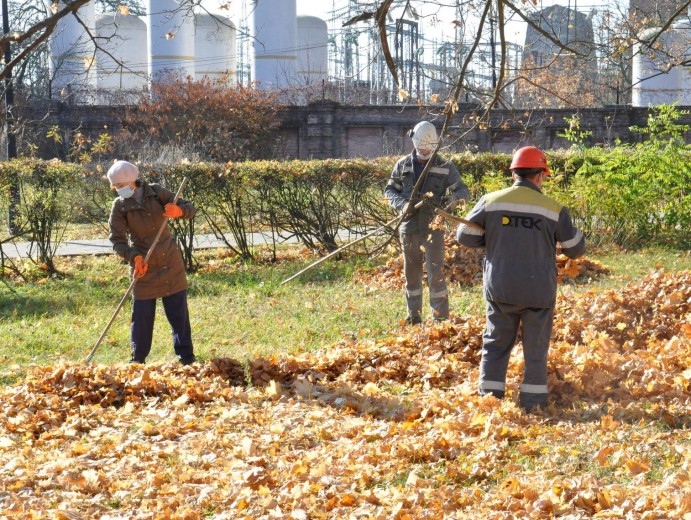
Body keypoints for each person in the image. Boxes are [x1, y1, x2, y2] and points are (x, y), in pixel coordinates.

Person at [456, 146, 585, 411]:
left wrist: (493, 238)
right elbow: (574, 249)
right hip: (538, 291)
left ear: (514, 173)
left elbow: (464, 236)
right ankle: (533, 406)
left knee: (495, 345)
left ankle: (490, 403)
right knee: (535, 351)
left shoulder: (491, 201)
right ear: (539, 175)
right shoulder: (554, 209)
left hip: (501, 287)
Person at [107, 160, 197, 365]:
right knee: (142, 317)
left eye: (120, 186)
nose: (118, 191)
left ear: (132, 181)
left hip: (170, 262)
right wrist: (133, 256)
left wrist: (179, 211)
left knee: (178, 314)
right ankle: (137, 360)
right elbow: (117, 240)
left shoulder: (156, 193)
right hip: (143, 266)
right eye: (116, 187)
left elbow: (189, 208)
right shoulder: (120, 206)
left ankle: (187, 358)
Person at [385, 121, 470, 324]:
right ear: (414, 142)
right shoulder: (402, 165)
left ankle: (440, 320)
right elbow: (389, 191)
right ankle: (414, 318)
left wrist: (450, 202)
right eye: (420, 146)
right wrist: (402, 205)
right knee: (412, 276)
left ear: (434, 145)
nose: (423, 150)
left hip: (434, 229)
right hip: (409, 228)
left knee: (436, 275)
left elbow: (462, 191)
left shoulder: (444, 166)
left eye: (427, 147)